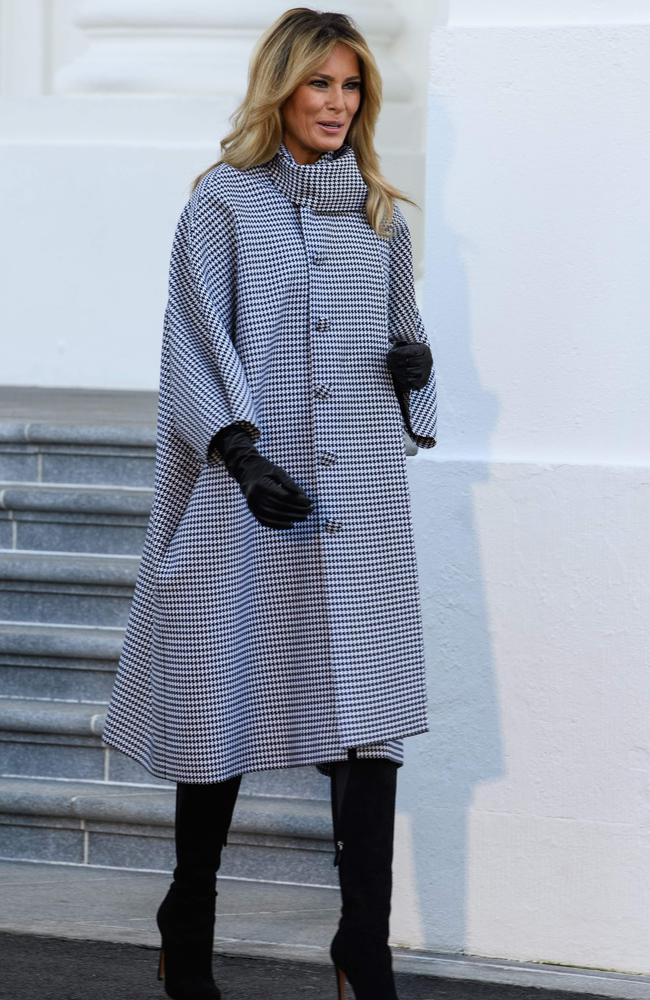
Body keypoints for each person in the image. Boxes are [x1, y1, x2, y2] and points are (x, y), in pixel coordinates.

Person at [100, 7, 437, 999]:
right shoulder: (222, 204)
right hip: (250, 497)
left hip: (360, 503)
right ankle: (187, 916)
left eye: (350, 87)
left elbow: (409, 357)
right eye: (318, 84)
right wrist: (240, 454)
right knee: (220, 704)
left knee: (364, 723)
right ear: (280, 89)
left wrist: (415, 370)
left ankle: (360, 949)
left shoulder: (381, 217)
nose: (336, 104)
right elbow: (190, 339)